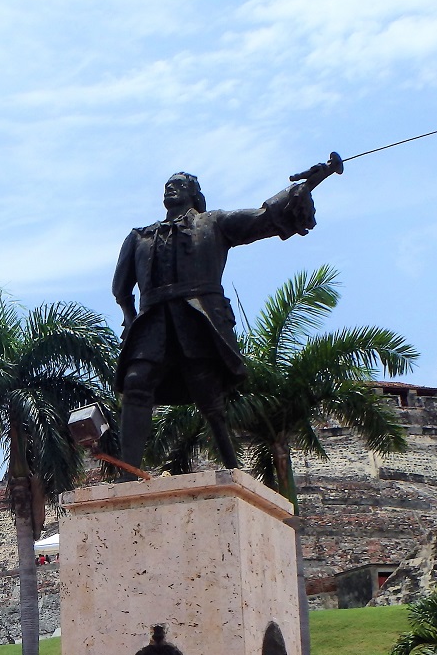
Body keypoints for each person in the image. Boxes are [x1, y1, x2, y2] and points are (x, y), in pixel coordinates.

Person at [112, 171, 320, 471]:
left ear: (194, 194)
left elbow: (261, 218)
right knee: (135, 383)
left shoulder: (214, 222)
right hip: (153, 320)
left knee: (207, 392)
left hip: (197, 317)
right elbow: (121, 288)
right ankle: (128, 470)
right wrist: (131, 320)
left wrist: (302, 188)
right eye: (168, 184)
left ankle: (232, 466)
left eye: (180, 185)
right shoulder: (139, 236)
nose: (171, 188)